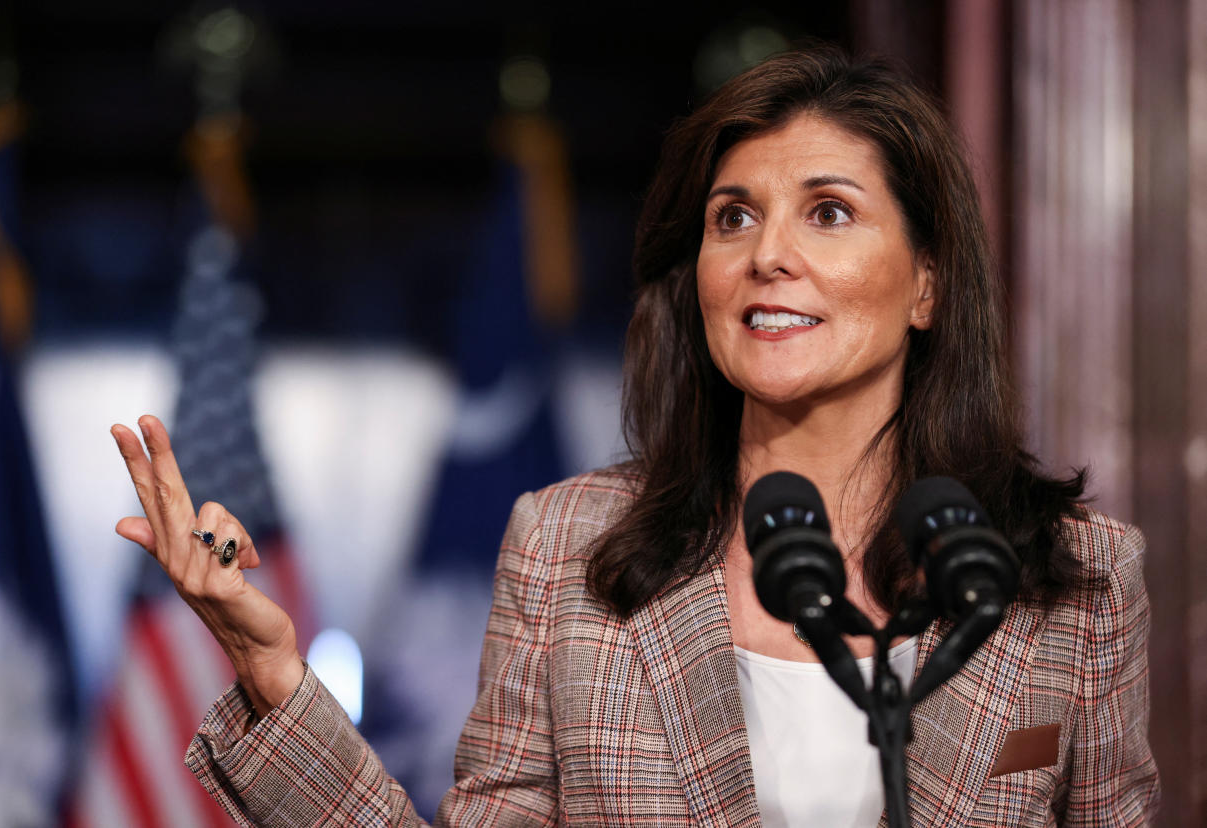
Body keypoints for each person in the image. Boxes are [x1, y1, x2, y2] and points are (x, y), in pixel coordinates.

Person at [111, 45, 1159, 826]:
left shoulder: (1072, 582)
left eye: (827, 212)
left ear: (926, 281)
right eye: (731, 217)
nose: (767, 256)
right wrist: (275, 675)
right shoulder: (568, 550)